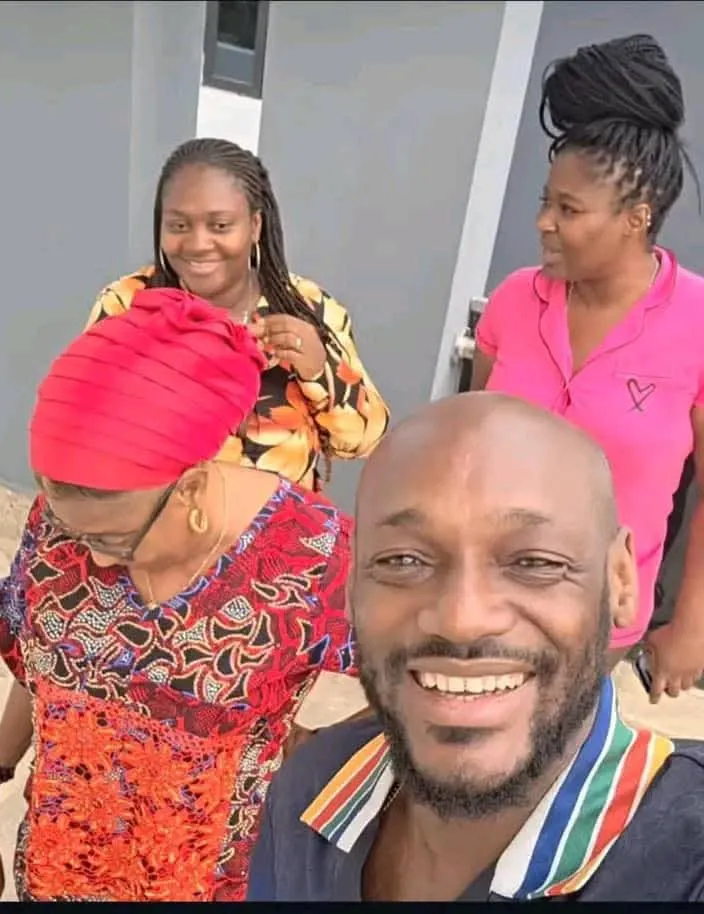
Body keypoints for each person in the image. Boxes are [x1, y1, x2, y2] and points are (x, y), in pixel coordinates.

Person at [247, 393, 704, 903]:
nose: (461, 620)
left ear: (620, 581)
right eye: (403, 561)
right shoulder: (311, 791)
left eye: (535, 562)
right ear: (353, 586)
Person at [0, 287, 360, 902]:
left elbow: (427, 680)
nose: (96, 559)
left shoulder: (308, 553)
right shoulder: (60, 526)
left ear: (190, 489)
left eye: (114, 539)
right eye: (76, 533)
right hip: (55, 873)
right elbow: (38, 663)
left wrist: (319, 757)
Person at [470, 34, 704, 697]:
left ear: (636, 218)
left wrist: (692, 625)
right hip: (480, 598)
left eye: (568, 210)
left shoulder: (696, 320)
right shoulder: (516, 300)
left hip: (598, 622)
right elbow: (469, 440)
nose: (543, 223)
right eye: (546, 202)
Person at [86, 137, 389, 491]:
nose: (198, 244)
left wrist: (319, 370)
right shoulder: (127, 303)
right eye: (179, 226)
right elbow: (83, 427)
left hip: (280, 523)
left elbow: (364, 441)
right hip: (160, 522)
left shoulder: (307, 307)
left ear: (255, 226)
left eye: (220, 226)